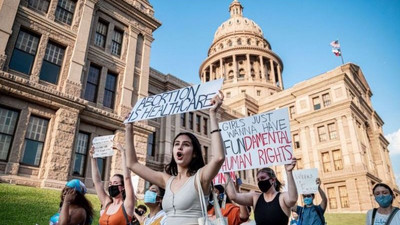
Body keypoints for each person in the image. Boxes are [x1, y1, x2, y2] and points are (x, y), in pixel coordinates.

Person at [125, 91, 225, 224]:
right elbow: (132, 164)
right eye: (176, 144)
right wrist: (129, 128)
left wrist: (212, 115)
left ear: (194, 153)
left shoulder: (200, 178)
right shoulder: (166, 180)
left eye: (186, 144)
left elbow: (218, 157)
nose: (180, 147)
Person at [225, 164, 298, 225]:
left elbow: (292, 199)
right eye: (258, 180)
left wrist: (289, 172)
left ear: (272, 180)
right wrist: (226, 172)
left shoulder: (282, 197)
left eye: (263, 178)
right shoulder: (255, 197)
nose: (260, 181)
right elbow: (233, 196)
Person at [90, 142, 136, 225]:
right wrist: (93, 159)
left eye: (115, 183)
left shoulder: (127, 205)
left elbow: (127, 178)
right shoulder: (107, 203)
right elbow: (97, 182)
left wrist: (122, 153)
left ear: (122, 187)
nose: (111, 186)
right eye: (110, 183)